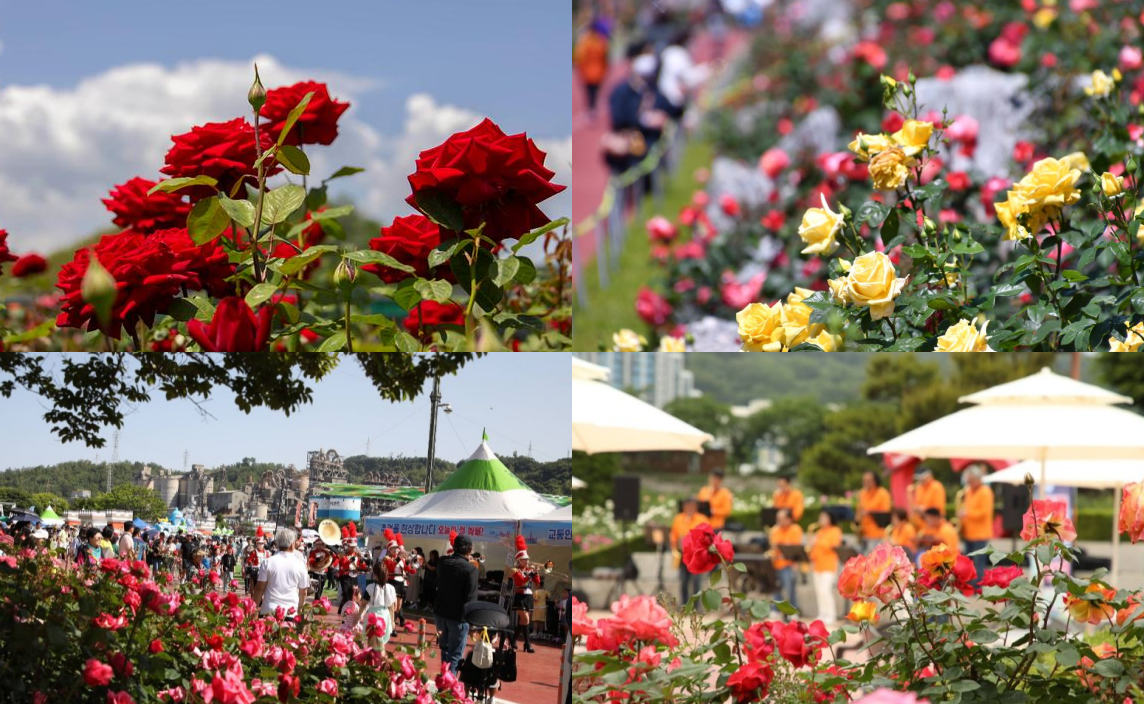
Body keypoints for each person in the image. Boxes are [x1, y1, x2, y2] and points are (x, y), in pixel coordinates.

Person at [434, 534, 478, 675]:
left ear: (453, 547)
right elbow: (471, 598)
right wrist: (473, 623)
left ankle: (443, 682)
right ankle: (449, 687)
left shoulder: (442, 562)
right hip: (458, 616)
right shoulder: (471, 570)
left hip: (440, 613)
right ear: (469, 550)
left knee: (445, 651)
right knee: (455, 655)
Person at [252, 527, 310, 620]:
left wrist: (254, 610)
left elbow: (259, 588)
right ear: (292, 544)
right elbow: (303, 592)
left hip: (269, 610)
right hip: (291, 612)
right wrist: (300, 611)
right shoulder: (300, 565)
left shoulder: (268, 562)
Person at [959, 466, 995, 584]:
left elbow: (984, 513)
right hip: (969, 533)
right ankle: (970, 585)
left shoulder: (985, 492)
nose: (969, 483)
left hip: (980, 534)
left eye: (971, 480)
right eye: (968, 480)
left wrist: (967, 513)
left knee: (979, 564)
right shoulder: (968, 491)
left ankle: (977, 587)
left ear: (978, 479)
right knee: (969, 563)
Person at [669, 498, 708, 605]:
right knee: (683, 580)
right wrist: (675, 544)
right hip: (683, 554)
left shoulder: (702, 518)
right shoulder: (678, 518)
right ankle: (685, 605)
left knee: (696, 581)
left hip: (697, 556)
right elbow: (673, 535)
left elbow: (707, 536)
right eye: (688, 506)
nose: (690, 508)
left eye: (692, 506)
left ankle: (696, 606)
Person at [807, 511, 842, 625]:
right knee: (818, 591)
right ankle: (822, 613)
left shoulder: (835, 531)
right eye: (820, 517)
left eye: (824, 517)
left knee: (825, 590)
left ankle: (831, 614)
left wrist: (818, 542)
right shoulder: (819, 532)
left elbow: (833, 545)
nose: (821, 519)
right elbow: (814, 549)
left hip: (829, 565)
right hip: (817, 565)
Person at [574, 18, 611, 121]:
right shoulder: (601, 41)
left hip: (588, 73)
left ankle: (591, 109)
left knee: (589, 92)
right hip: (598, 72)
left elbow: (579, 57)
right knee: (594, 92)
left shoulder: (585, 42)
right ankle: (592, 108)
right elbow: (605, 56)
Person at [510, 535, 541, 653]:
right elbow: (521, 581)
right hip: (520, 596)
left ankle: (513, 640)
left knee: (522, 621)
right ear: (519, 560)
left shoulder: (529, 571)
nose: (527, 561)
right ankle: (527, 644)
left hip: (528, 596)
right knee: (526, 619)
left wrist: (536, 573)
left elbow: (537, 584)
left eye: (527, 559)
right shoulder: (515, 570)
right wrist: (531, 574)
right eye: (524, 559)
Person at [770, 509, 804, 616]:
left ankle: (793, 611)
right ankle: (776, 609)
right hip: (776, 563)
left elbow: (793, 547)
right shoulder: (774, 530)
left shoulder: (795, 529)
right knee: (775, 588)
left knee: (790, 589)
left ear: (789, 519)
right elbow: (773, 546)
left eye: (782, 519)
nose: (779, 521)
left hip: (788, 564)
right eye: (778, 519)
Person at [361, 561, 397, 651]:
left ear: (375, 574)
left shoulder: (370, 587)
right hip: (385, 615)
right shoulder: (391, 588)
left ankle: (371, 663)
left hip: (373, 615)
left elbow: (364, 603)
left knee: (371, 644)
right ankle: (381, 662)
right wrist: (392, 621)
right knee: (381, 644)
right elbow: (392, 607)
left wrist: (359, 614)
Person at [855, 471, 892, 553]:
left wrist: (870, 512)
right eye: (864, 481)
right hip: (864, 534)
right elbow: (859, 511)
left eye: (868, 481)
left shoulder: (883, 493)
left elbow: (886, 514)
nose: (865, 483)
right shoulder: (862, 493)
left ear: (875, 481)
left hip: (877, 535)